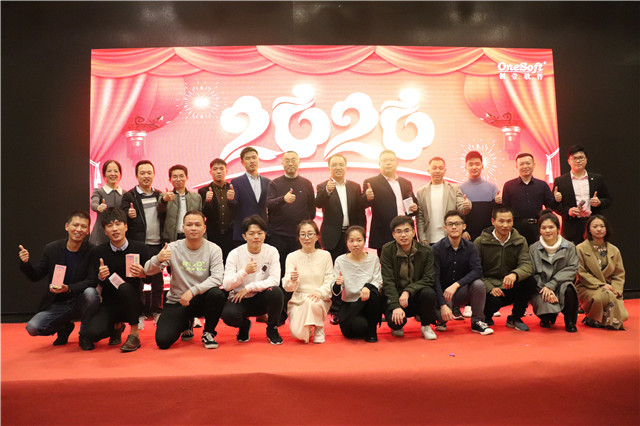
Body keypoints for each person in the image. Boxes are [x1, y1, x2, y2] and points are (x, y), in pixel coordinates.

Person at [18, 211, 100, 350]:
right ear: (67, 226)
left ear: (87, 231)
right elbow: (36, 275)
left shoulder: (92, 251)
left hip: (81, 301)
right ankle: (64, 327)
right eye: (75, 225)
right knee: (33, 327)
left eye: (83, 226)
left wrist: (68, 288)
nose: (79, 229)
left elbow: (92, 281)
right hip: (58, 303)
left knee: (91, 293)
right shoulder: (52, 249)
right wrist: (25, 263)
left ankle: (84, 335)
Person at [145, 210, 226, 349]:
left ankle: (208, 332)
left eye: (197, 225)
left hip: (201, 299)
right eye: (189, 225)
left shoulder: (214, 249)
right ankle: (186, 323)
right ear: (183, 228)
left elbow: (217, 278)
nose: (193, 228)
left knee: (217, 294)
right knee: (163, 341)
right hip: (177, 301)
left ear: (204, 228)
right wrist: (158, 259)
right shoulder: (172, 248)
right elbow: (148, 270)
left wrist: (192, 291)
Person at [83, 207, 149, 352]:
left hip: (133, 302)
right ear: (105, 231)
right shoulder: (99, 251)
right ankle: (116, 327)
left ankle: (134, 334)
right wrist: (100, 277)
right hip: (110, 304)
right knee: (91, 333)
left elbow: (151, 280)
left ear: (126, 226)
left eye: (118, 224)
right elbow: (93, 280)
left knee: (124, 287)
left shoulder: (140, 248)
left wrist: (143, 274)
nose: (115, 229)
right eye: (110, 225)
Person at [315, 153, 366, 325]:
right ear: (329, 168)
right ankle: (336, 310)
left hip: (352, 236)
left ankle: (356, 305)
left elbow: (360, 210)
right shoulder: (323, 186)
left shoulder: (354, 187)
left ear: (345, 167)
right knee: (336, 274)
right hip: (332, 236)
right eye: (334, 165)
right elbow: (318, 203)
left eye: (341, 164)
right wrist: (327, 191)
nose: (338, 168)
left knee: (354, 270)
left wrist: (361, 233)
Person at [221, 215, 285, 344]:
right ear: (244, 236)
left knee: (276, 292)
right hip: (240, 298)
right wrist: (245, 271)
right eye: (251, 233)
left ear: (265, 235)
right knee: (228, 315)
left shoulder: (271, 251)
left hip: (262, 297)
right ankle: (244, 325)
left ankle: (272, 328)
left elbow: (275, 280)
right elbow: (227, 285)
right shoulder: (235, 254)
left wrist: (249, 288)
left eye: (260, 233)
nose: (256, 237)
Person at [474, 206, 536, 331]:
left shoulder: (520, 240)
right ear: (493, 221)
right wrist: (490, 287)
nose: (505, 225)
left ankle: (515, 318)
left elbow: (526, 265)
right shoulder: (480, 242)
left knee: (530, 281)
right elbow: (475, 270)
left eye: (509, 221)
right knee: (492, 302)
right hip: (489, 287)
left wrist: (515, 274)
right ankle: (486, 316)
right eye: (501, 221)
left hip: (509, 283)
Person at [432, 211, 493, 335]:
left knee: (478, 284)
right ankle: (440, 319)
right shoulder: (436, 249)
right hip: (442, 294)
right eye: (450, 224)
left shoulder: (471, 247)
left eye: (457, 224)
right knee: (440, 316)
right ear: (445, 227)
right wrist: (443, 304)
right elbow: (434, 278)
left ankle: (477, 322)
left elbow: (477, 271)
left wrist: (456, 285)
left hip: (461, 291)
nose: (454, 227)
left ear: (464, 226)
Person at [121, 160, 166, 328]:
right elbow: (121, 217)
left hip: (157, 244)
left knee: (158, 280)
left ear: (154, 174)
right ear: (136, 175)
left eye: (149, 173)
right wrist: (128, 214)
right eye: (142, 173)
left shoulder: (160, 195)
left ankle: (157, 311)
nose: (146, 176)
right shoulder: (129, 196)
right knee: (136, 281)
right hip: (137, 244)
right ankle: (138, 314)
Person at [380, 215, 438, 340]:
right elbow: (388, 280)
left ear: (413, 232)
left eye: (407, 231)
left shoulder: (426, 251)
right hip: (396, 295)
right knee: (396, 323)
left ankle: (426, 326)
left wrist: (408, 291)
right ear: (393, 235)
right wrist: (395, 305)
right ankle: (397, 324)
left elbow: (428, 278)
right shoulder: (387, 250)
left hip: (416, 295)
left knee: (429, 292)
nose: (403, 235)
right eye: (399, 232)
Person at [282, 220, 335, 343]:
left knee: (312, 302)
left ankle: (319, 328)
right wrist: (292, 280)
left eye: (310, 234)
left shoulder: (325, 255)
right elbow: (287, 286)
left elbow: (330, 280)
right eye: (303, 234)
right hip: (298, 300)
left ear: (317, 236)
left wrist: (319, 292)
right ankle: (308, 326)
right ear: (298, 237)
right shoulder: (292, 257)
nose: (307, 238)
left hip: (319, 298)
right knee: (298, 334)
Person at [528, 210, 580, 332]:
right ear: (539, 230)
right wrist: (545, 289)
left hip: (561, 285)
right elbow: (532, 273)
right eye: (544, 228)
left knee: (569, 289)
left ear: (558, 229)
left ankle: (570, 321)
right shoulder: (533, 249)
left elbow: (572, 268)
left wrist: (551, 285)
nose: (547, 231)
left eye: (551, 227)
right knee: (548, 318)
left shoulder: (570, 247)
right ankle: (547, 317)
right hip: (541, 288)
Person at [266, 151, 316, 273]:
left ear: (299, 162)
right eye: (287, 160)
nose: (290, 163)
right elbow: (268, 204)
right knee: (280, 270)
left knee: (301, 270)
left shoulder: (306, 183)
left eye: (293, 160)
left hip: (300, 237)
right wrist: (283, 199)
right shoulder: (274, 183)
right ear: (282, 164)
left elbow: (312, 211)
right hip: (278, 236)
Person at [575, 215, 628, 330]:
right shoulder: (580, 248)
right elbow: (581, 273)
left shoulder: (614, 250)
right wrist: (601, 285)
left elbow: (619, 274)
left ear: (606, 228)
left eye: (602, 226)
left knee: (624, 315)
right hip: (588, 286)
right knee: (600, 297)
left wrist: (616, 289)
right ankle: (597, 319)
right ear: (589, 229)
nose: (599, 229)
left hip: (610, 288)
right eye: (595, 227)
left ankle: (593, 319)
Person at [552, 145, 612, 246]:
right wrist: (568, 211)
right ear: (569, 161)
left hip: (592, 225)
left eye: (581, 158)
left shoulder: (597, 179)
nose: (578, 161)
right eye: (574, 158)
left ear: (586, 160)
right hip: (571, 227)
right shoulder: (560, 181)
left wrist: (599, 202)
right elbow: (554, 205)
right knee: (573, 254)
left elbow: (608, 199)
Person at [332, 226, 383, 342]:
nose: (355, 244)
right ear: (346, 242)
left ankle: (372, 331)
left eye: (359, 240)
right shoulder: (340, 260)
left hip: (367, 302)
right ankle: (363, 326)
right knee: (358, 326)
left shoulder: (373, 259)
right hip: (349, 305)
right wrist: (337, 284)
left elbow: (378, 281)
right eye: (351, 241)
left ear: (364, 241)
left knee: (374, 293)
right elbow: (335, 291)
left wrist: (367, 287)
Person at [363, 150, 418, 255]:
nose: (388, 163)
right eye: (385, 160)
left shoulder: (406, 183)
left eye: (391, 160)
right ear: (379, 164)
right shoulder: (371, 182)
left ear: (396, 163)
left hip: (405, 232)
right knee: (386, 264)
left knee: (409, 263)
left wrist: (415, 208)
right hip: (384, 233)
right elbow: (362, 204)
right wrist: (367, 197)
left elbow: (412, 207)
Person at [502, 153, 559, 245]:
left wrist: (557, 200)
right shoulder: (508, 186)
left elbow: (551, 207)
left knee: (537, 251)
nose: (525, 166)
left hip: (537, 227)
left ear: (533, 165)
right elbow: (505, 209)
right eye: (521, 164)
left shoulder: (542, 185)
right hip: (516, 229)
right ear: (516, 166)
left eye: (528, 163)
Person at [416, 156, 471, 245]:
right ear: (429, 171)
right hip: (429, 240)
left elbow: (462, 210)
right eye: (434, 168)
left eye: (440, 168)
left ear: (444, 171)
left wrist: (467, 205)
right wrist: (422, 238)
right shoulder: (421, 192)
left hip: (451, 238)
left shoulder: (454, 188)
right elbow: (420, 218)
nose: (437, 171)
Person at [229, 147, 270, 245]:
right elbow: (233, 206)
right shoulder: (236, 182)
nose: (252, 161)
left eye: (254, 158)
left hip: (263, 230)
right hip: (244, 231)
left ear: (258, 160)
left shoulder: (268, 182)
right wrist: (230, 199)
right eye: (248, 158)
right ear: (242, 162)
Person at [199, 158, 236, 261]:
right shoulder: (203, 191)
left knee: (230, 262)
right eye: (215, 169)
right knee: (213, 262)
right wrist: (207, 201)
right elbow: (203, 213)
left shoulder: (234, 189)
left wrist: (232, 200)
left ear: (226, 171)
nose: (218, 172)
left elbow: (238, 209)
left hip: (231, 234)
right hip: (212, 234)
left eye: (221, 169)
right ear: (210, 172)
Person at [459, 151, 501, 241]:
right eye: (471, 164)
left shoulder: (492, 188)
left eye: (477, 164)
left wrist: (498, 203)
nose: (474, 167)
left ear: (482, 166)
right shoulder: (460, 189)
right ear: (465, 167)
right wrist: (463, 231)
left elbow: (497, 214)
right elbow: (458, 214)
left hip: (489, 236)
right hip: (468, 237)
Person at [160, 164, 202, 243]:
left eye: (181, 176)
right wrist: (164, 200)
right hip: (172, 238)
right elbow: (159, 210)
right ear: (170, 180)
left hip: (191, 237)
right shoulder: (164, 196)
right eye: (175, 177)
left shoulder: (196, 197)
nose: (178, 179)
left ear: (187, 178)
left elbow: (201, 219)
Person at [89, 160, 124, 246]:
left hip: (118, 236)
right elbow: (93, 204)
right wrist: (98, 207)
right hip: (100, 236)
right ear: (104, 174)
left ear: (120, 174)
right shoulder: (99, 192)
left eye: (115, 171)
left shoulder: (125, 194)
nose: (113, 174)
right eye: (109, 171)